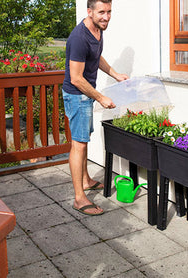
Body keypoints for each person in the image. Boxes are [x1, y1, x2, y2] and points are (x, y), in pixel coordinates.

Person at [62, 0, 128, 216]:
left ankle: (86, 180)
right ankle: (79, 198)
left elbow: (96, 57)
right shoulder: (79, 38)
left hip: (86, 95)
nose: (106, 17)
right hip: (77, 95)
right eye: (101, 12)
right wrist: (101, 97)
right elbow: (76, 78)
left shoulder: (98, 30)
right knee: (78, 144)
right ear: (89, 11)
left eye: (109, 12)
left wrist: (115, 74)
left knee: (83, 140)